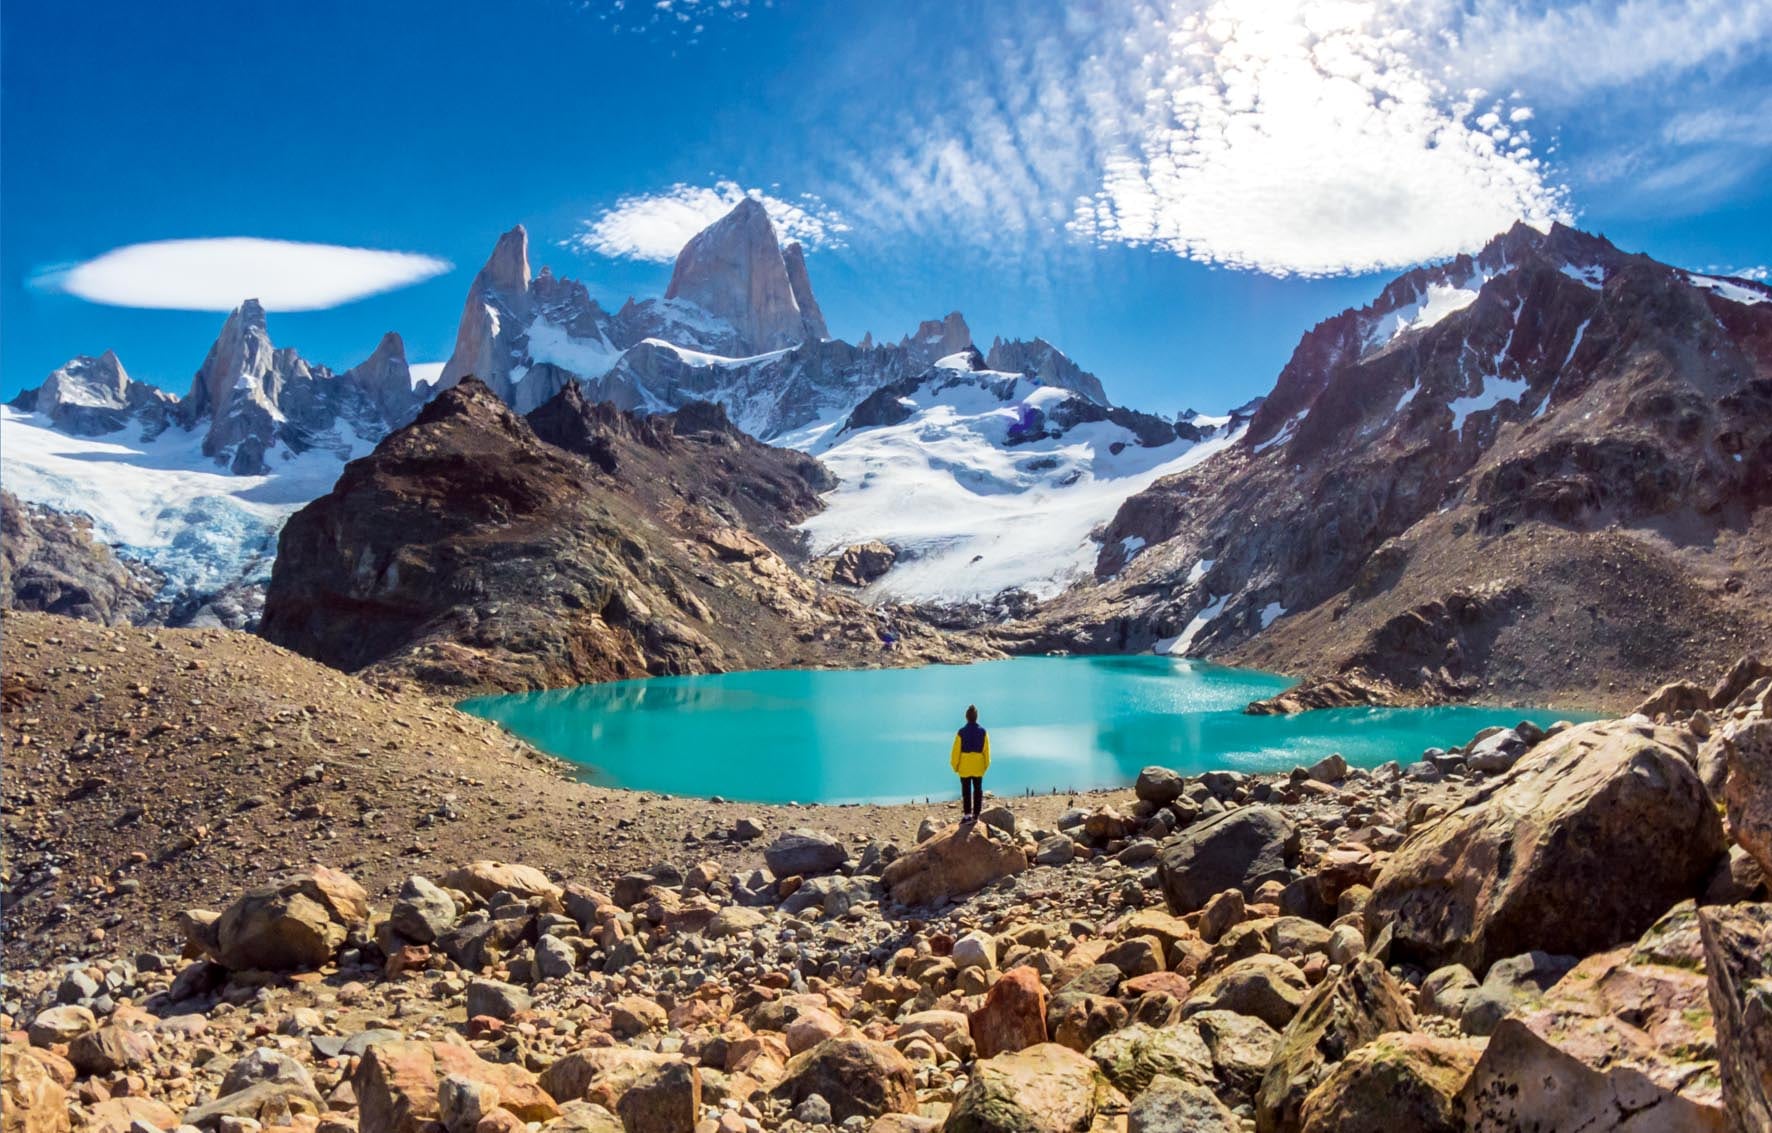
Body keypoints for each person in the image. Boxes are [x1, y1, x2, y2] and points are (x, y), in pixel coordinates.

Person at [949, 704, 991, 823]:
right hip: (978, 765)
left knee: (966, 790)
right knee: (978, 790)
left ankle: (967, 815)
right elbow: (986, 751)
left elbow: (955, 752)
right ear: (976, 717)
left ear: (966, 717)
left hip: (965, 766)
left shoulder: (961, 732)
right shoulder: (983, 732)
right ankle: (976, 814)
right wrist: (985, 766)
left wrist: (955, 766)